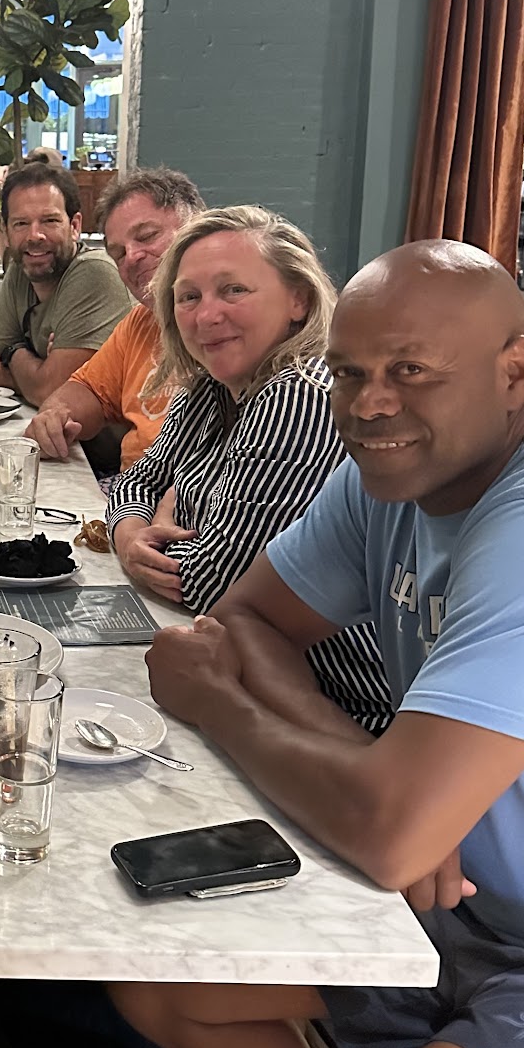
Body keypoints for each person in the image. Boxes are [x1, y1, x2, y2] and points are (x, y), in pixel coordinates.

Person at [109, 240, 524, 1048]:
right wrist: (372, 775)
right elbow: (243, 623)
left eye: (411, 372)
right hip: (455, 913)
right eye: (349, 374)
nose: (370, 405)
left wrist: (230, 712)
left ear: (517, 372)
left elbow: (366, 810)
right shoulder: (390, 477)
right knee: (154, 968)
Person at [106, 205, 391, 733]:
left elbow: (212, 583)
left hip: (339, 713)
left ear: (298, 300)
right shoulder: (211, 387)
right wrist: (130, 532)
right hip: (249, 680)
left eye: (233, 290)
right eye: (188, 297)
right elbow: (137, 480)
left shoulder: (300, 396)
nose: (206, 315)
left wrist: (160, 523)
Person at [27, 165, 205, 473]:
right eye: (118, 253)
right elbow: (88, 389)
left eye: (147, 236)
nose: (132, 257)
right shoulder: (141, 322)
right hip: (128, 491)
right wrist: (54, 416)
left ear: (198, 226)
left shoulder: (235, 326)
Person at [0, 154, 129, 406]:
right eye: (21, 223)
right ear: (6, 230)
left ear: (75, 226)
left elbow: (51, 392)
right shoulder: (21, 267)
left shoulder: (94, 272)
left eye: (50, 221)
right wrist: (38, 370)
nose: (35, 236)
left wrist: (12, 352)